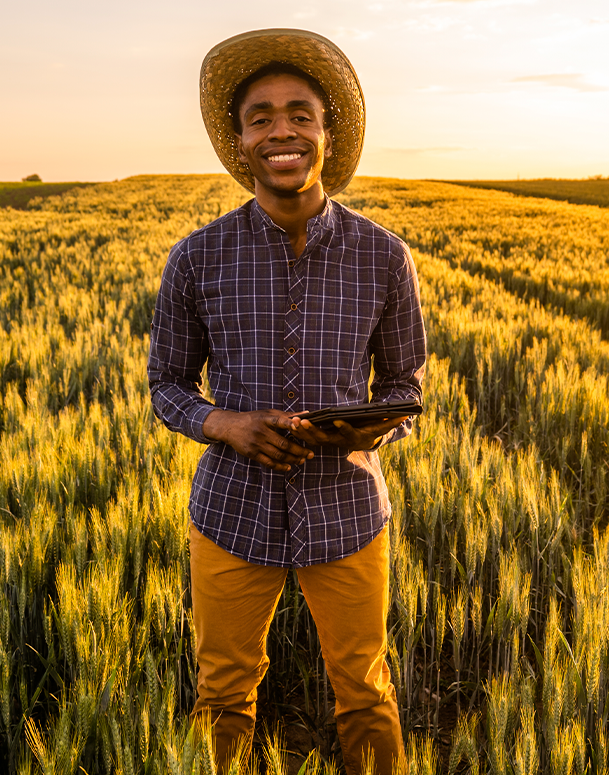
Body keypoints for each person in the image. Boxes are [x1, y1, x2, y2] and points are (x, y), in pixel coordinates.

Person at [148, 28, 426, 775]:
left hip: (348, 512)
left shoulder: (383, 256)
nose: (282, 131)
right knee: (223, 697)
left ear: (327, 133)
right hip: (232, 512)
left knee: (365, 693)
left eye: (300, 113)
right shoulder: (196, 257)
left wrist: (358, 428)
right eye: (261, 116)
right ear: (241, 142)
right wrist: (226, 423)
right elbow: (166, 387)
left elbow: (407, 388)